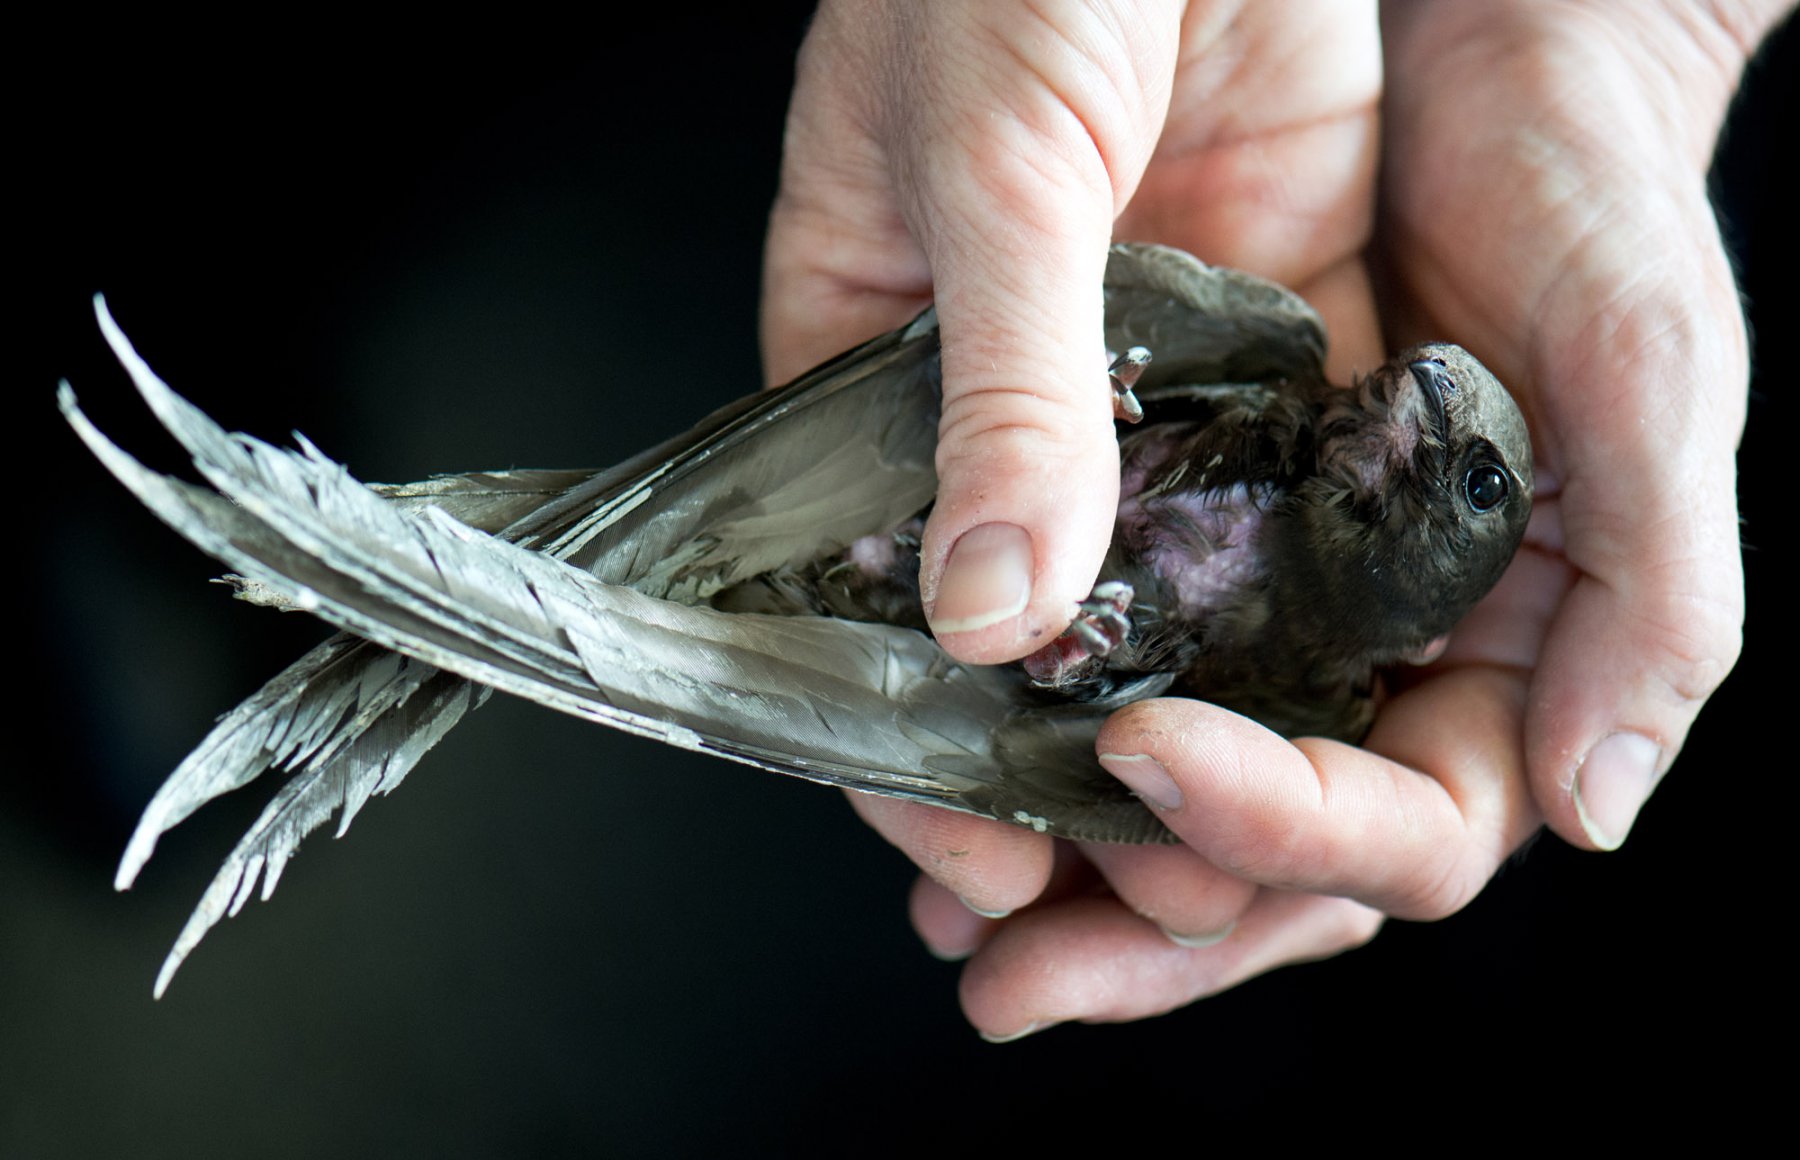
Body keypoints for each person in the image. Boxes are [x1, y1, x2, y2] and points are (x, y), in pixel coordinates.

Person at [759, 0, 1787, 1040]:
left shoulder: (1334, 677)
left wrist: (1641, 34)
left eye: (1478, 484)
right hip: (878, 245)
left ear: (1425, 636)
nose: (1437, 373)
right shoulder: (1277, 385)